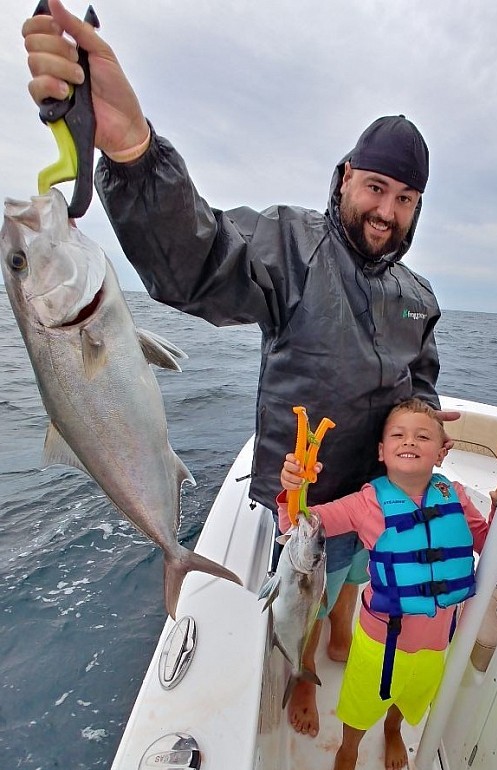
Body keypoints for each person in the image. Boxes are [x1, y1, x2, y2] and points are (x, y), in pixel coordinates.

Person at [22, 0, 459, 737]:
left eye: (406, 198)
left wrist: (420, 438)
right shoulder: (289, 245)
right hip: (302, 505)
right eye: (377, 188)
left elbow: (420, 384)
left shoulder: (420, 297)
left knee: (353, 581)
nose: (388, 210)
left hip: (376, 497)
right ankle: (302, 669)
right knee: (304, 595)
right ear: (346, 177)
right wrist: (131, 152)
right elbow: (198, 260)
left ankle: (343, 624)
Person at [279, 399, 497, 770]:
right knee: (359, 706)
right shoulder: (366, 502)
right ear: (382, 452)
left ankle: (392, 729)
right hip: (380, 644)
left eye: (423, 436)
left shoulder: (455, 496)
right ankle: (348, 748)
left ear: (441, 451)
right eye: (398, 435)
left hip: (438, 642)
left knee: (410, 698)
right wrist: (294, 490)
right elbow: (300, 524)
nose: (410, 442)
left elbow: (488, 542)